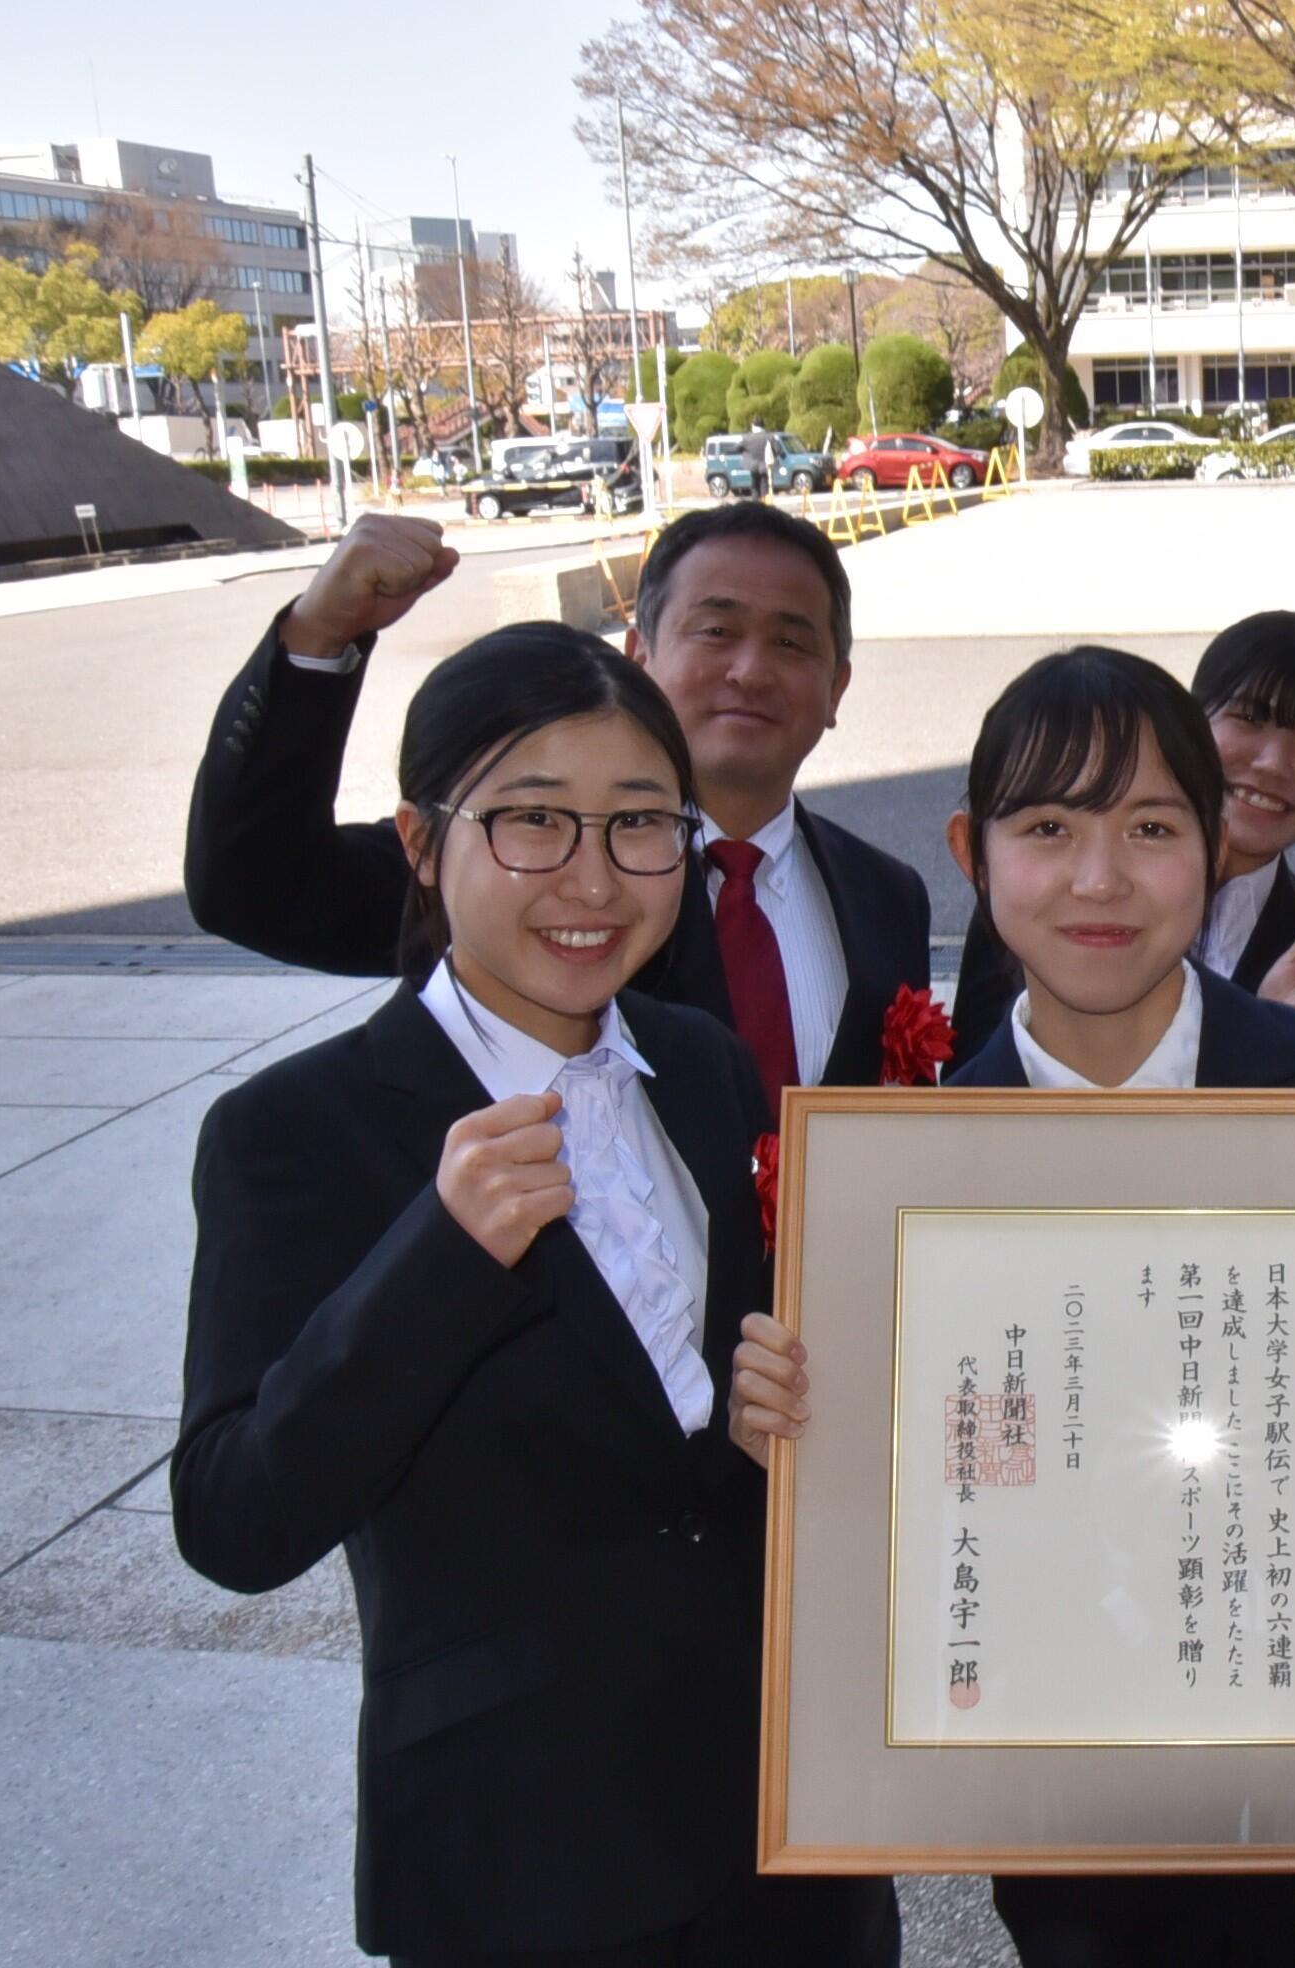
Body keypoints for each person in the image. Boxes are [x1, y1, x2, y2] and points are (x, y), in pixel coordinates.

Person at [171, 624, 901, 1966]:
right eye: (529, 823)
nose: (593, 880)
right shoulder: (297, 1130)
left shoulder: (700, 1064)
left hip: (786, 1838)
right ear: (417, 841)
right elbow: (234, 1517)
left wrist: (779, 1415)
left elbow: (704, 1430)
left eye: (640, 826)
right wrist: (436, 1259)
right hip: (521, 1865)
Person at [737, 645, 1295, 1968]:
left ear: (1216, 842)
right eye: (1049, 827)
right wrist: (800, 1432)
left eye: (1148, 827)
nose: (1098, 878)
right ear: (973, 847)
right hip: (1079, 1832)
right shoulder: (909, 1171)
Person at [184, 502, 931, 1092]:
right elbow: (253, 885)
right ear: (639, 657)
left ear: (836, 689)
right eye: (715, 629)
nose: (749, 669)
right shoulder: (511, 860)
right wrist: (321, 635)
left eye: (791, 643)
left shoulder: (886, 899)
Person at [947, 609, 1295, 1058]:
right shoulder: (1024, 899)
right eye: (1249, 718)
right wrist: (1257, 1028)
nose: (1273, 762)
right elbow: (971, 1088)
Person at [741, 418, 778, 498]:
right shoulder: (769, 437)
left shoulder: (747, 438)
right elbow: (778, 450)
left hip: (753, 466)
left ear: (753, 426)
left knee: (755, 487)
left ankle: (755, 506)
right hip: (766, 466)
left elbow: (737, 448)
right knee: (765, 487)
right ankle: (764, 506)